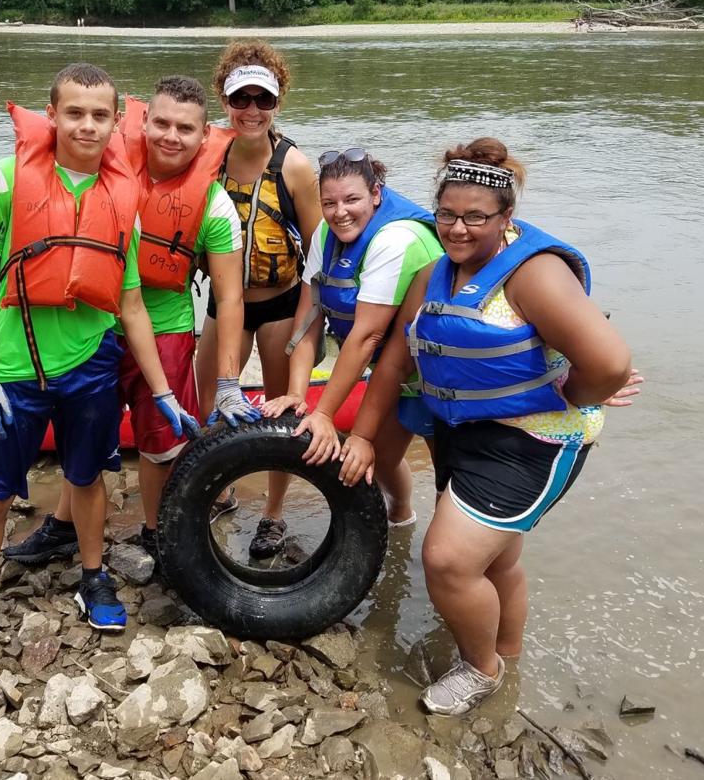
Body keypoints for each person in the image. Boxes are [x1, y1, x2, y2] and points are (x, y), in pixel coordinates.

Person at [0, 63, 196, 668]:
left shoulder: (123, 195)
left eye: (100, 115)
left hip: (92, 364)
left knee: (86, 479)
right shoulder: (7, 179)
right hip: (15, 369)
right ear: (52, 114)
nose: (87, 125)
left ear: (117, 123)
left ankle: (93, 578)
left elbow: (131, 304)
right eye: (75, 113)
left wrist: (163, 390)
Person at [339, 138, 632, 715]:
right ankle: (509, 654)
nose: (457, 229)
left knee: (447, 560)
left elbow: (611, 363)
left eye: (476, 217)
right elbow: (394, 363)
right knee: (495, 560)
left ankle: (482, 670)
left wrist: (564, 393)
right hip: (463, 429)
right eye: (446, 214)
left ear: (507, 217)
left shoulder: (535, 275)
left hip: (534, 439)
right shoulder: (432, 275)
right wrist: (363, 437)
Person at [114, 77, 260, 557]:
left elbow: (230, 297)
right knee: (85, 439)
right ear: (142, 123)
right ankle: (65, 524)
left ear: (204, 136)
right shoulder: (106, 169)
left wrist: (228, 382)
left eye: (185, 128)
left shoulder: (215, 205)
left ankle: (156, 533)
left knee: (162, 445)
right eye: (161, 123)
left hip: (166, 330)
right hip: (93, 327)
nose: (171, 137)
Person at [260, 148, 443, 530]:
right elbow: (308, 321)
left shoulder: (395, 239)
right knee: (381, 459)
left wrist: (325, 413)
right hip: (394, 370)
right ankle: (402, 518)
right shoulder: (325, 234)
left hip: (441, 372)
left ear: (376, 194)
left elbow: (366, 336)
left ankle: (446, 543)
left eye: (351, 200)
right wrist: (297, 394)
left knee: (446, 474)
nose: (339, 212)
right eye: (329, 203)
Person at [195, 40, 321, 551]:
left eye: (262, 99)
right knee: (207, 400)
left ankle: (273, 512)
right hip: (223, 300)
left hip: (279, 302)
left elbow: (317, 252)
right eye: (240, 99)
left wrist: (318, 321)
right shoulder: (208, 158)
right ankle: (220, 490)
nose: (251, 110)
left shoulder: (295, 167)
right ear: (223, 100)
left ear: (278, 101)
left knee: (280, 411)